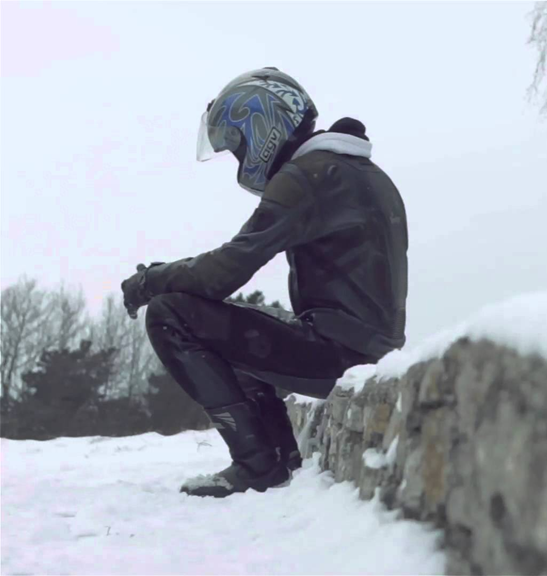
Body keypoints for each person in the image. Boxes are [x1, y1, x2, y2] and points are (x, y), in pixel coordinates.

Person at [120, 68, 408, 498]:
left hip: (338, 353)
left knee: (171, 314)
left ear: (264, 124)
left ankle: (256, 464)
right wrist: (173, 274)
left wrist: (150, 282)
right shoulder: (360, 172)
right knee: (231, 325)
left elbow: (225, 272)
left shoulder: (309, 175)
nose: (240, 159)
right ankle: (279, 457)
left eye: (238, 145)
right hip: (363, 346)